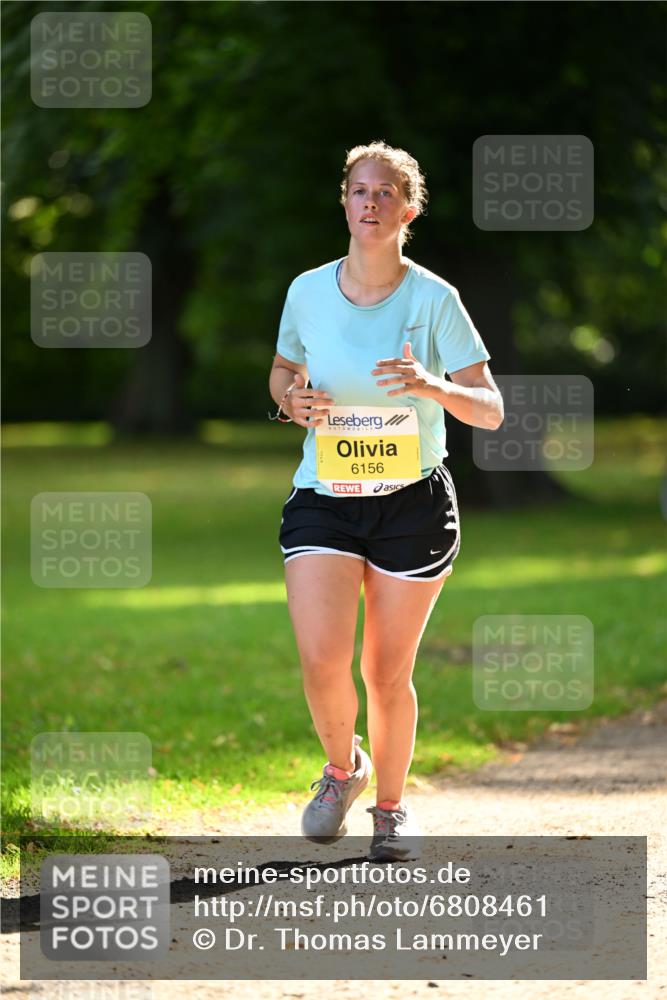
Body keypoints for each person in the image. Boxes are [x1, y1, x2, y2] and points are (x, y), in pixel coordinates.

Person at [268, 140, 503, 861]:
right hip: (325, 497)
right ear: (344, 201)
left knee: (384, 673)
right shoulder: (307, 290)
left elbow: (489, 409)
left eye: (385, 192)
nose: (370, 202)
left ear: (407, 208)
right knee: (320, 659)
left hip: (412, 502)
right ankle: (343, 771)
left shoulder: (433, 299)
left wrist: (432, 386)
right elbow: (281, 372)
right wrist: (292, 403)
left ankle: (393, 809)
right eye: (359, 190)